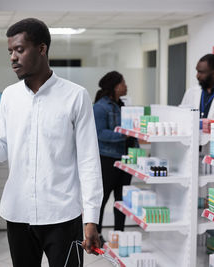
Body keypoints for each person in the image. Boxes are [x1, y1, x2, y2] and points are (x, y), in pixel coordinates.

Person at [0, 18, 103, 267]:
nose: (13, 57)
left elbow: (88, 161)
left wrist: (92, 219)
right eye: (10, 51)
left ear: (41, 49)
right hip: (18, 214)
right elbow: (2, 150)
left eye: (19, 50)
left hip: (63, 215)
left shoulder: (75, 96)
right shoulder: (10, 96)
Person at [93, 71, 135, 244]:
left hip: (126, 159)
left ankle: (120, 235)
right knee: (102, 200)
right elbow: (99, 133)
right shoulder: (100, 107)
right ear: (116, 86)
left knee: (122, 200)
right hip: (108, 159)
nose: (126, 86)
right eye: (124, 82)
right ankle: (97, 234)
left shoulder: (122, 105)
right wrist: (123, 135)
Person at [181, 54, 214, 119]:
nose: (197, 76)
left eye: (201, 72)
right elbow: (181, 115)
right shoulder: (191, 92)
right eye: (197, 71)